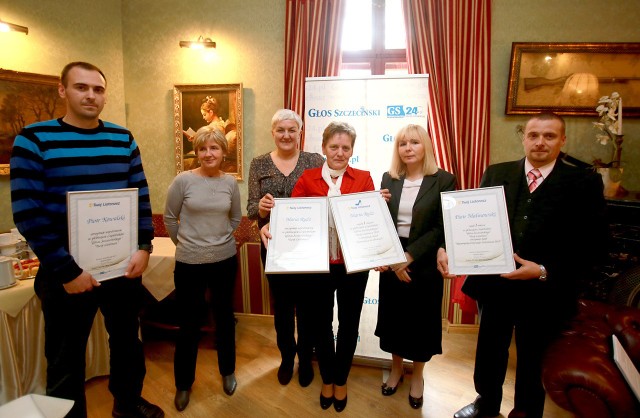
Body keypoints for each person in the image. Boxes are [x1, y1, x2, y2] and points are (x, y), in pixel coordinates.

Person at [9, 62, 164, 418]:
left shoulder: (122, 139)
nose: (91, 95)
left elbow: (140, 195)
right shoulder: (33, 140)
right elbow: (29, 214)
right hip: (64, 273)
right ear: (62, 91)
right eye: (81, 87)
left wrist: (144, 246)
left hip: (121, 268)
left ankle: (127, 403)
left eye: (97, 89)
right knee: (65, 357)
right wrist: (67, 271)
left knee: (127, 344)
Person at [437, 112, 607, 418]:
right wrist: (450, 248)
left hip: (543, 289)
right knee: (490, 349)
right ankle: (485, 403)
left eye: (549, 136)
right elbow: (473, 221)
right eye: (533, 135)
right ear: (524, 138)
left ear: (562, 140)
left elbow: (591, 244)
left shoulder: (584, 182)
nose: (540, 142)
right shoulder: (496, 173)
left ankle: (526, 411)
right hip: (495, 285)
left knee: (533, 354)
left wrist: (543, 270)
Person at [262, 121, 375, 413]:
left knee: (349, 326)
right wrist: (269, 223)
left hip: (353, 268)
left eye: (345, 147)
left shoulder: (364, 179)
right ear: (324, 148)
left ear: (352, 150)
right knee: (321, 326)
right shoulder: (308, 179)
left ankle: (341, 380)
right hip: (318, 268)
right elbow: (292, 220)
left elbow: (370, 224)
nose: (339, 152)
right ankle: (327, 379)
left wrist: (377, 207)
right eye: (333, 146)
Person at [375, 124, 456, 409]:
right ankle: (396, 369)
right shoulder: (389, 178)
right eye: (402, 144)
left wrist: (407, 257)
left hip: (424, 261)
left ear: (426, 147)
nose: (408, 148)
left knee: (421, 322)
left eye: (414, 143)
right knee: (394, 319)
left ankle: (418, 375)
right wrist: (392, 258)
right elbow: (381, 222)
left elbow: (440, 227)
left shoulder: (444, 179)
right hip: (392, 257)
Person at [164, 126, 241, 411]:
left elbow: (235, 218)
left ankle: (228, 371)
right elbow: (171, 219)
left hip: (224, 260)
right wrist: (188, 242)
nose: (209, 154)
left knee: (224, 319)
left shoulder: (230, 183)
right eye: (203, 149)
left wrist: (217, 239)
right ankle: (183, 384)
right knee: (189, 324)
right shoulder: (182, 181)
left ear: (223, 152)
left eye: (214, 148)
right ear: (196, 152)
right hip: (189, 263)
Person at [246, 109, 324, 387]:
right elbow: (251, 207)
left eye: (292, 130)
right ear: (273, 133)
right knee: (282, 310)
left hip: (309, 250)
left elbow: (328, 197)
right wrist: (261, 209)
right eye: (281, 130)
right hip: (275, 249)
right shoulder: (258, 163)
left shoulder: (315, 161)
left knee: (307, 310)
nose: (287, 135)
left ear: (300, 133)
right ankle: (287, 358)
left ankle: (305, 358)